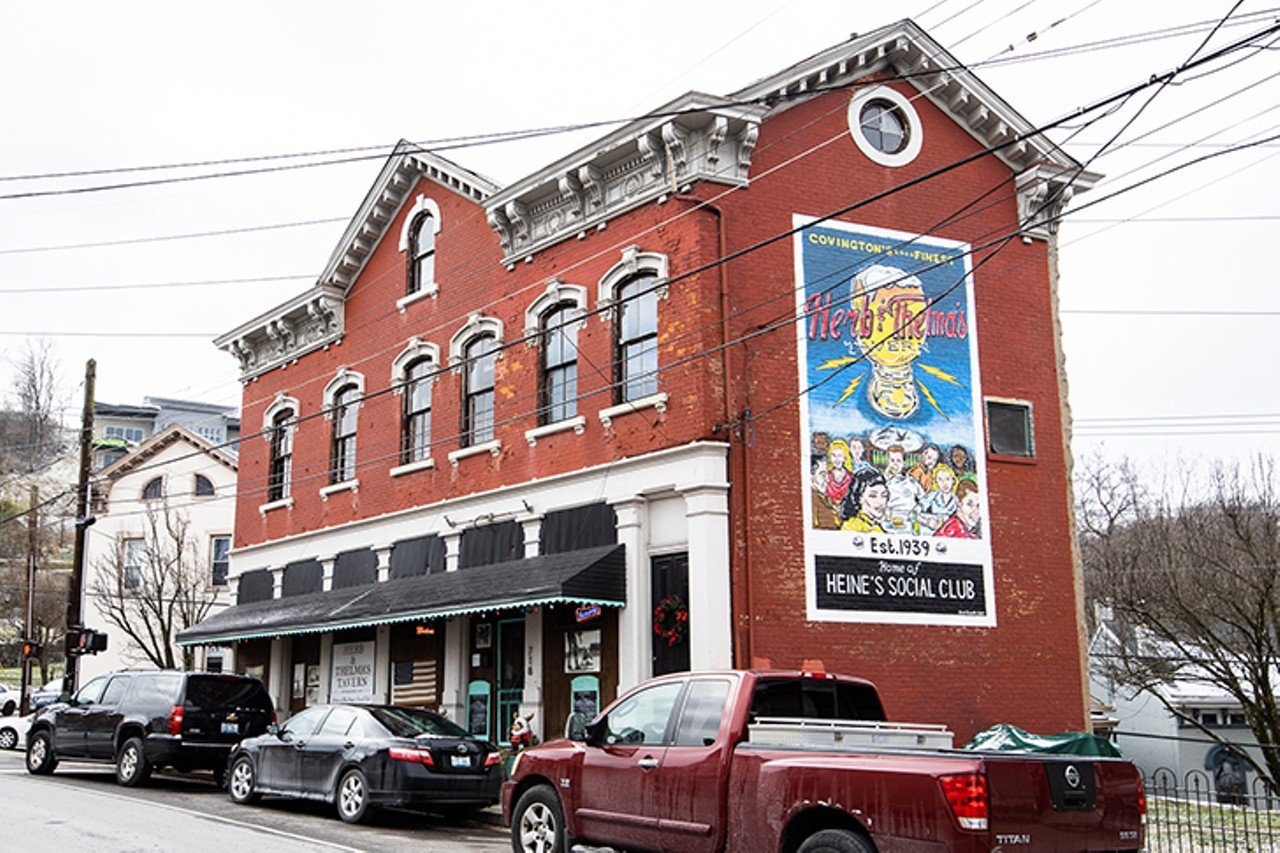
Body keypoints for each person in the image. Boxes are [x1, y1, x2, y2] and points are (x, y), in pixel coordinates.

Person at [883, 444, 924, 532]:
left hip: (910, 517)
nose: (895, 464)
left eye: (898, 461)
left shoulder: (911, 481)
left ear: (903, 463)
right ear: (888, 462)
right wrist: (885, 480)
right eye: (892, 460)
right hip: (891, 519)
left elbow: (924, 498)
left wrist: (919, 507)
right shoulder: (883, 481)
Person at [840, 468, 889, 533]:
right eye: (873, 496)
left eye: (884, 495)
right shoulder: (852, 527)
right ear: (859, 498)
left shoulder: (872, 524)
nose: (880, 502)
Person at [916, 463, 958, 533]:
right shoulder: (932, 495)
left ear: (953, 480)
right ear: (936, 482)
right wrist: (926, 522)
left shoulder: (957, 499)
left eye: (947, 479)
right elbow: (913, 514)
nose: (944, 483)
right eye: (940, 480)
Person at [824, 439, 855, 505]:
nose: (837, 459)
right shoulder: (826, 476)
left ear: (845, 458)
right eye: (834, 455)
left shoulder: (851, 477)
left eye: (840, 455)